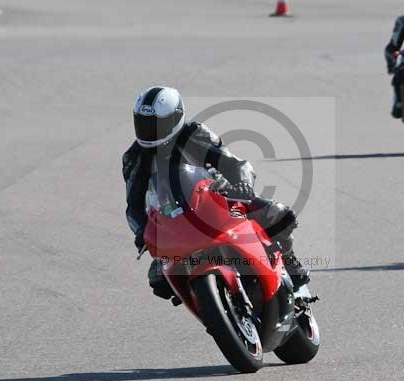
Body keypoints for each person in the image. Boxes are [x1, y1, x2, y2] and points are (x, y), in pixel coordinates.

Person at [122, 86, 310, 299]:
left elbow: (235, 164)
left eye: (156, 124)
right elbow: (134, 206)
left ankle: (289, 260)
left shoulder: (193, 133)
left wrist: (243, 186)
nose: (150, 130)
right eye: (144, 123)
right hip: (172, 221)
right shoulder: (135, 157)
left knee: (278, 214)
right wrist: (143, 233)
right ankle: (204, 301)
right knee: (158, 279)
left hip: (217, 200)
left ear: (175, 118)